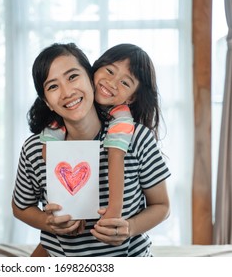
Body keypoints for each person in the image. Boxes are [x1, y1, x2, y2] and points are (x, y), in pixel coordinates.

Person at [12, 43, 170, 256]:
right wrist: (48, 222)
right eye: (53, 86)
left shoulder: (137, 138)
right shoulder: (34, 149)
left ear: (90, 77)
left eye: (72, 77)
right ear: (47, 102)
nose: (67, 92)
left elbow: (162, 205)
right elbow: (20, 206)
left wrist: (129, 228)